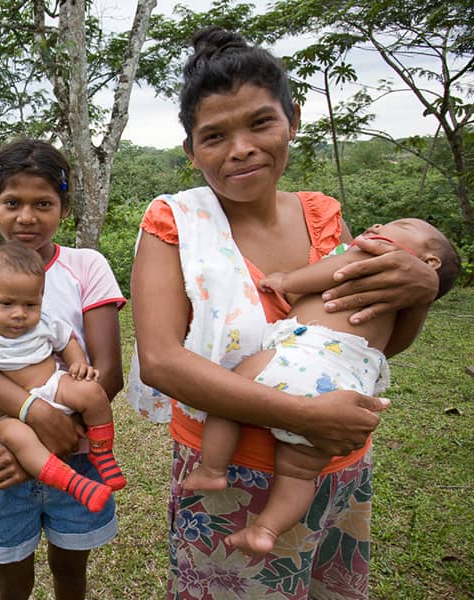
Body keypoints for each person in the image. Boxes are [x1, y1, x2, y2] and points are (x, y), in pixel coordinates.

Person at [128, 27, 441, 599]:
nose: (240, 147)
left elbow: (370, 341)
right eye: (214, 135)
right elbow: (162, 362)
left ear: (292, 121)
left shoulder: (324, 219)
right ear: (190, 150)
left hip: (335, 461)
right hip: (234, 469)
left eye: (260, 123)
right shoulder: (175, 225)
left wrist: (419, 291)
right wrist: (306, 418)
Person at [182, 217, 460, 555]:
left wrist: (288, 280)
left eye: (400, 225)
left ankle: (212, 468)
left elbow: (332, 271)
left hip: (305, 353)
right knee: (299, 471)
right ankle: (266, 530)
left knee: (229, 397)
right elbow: (396, 343)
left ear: (429, 263)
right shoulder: (404, 300)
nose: (379, 225)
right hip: (346, 386)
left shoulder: (376, 256)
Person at [0, 140, 126, 600]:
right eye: (12, 203)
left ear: (64, 208)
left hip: (78, 451)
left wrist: (46, 441)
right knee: (10, 574)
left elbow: (109, 371)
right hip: (0, 454)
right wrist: (33, 419)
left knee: (70, 567)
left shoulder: (88, 267)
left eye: (43, 203)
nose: (27, 217)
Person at [0, 241, 126, 513]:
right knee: (16, 437)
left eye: (31, 304)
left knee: (91, 392)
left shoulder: (43, 318)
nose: (20, 313)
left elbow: (66, 339)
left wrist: (77, 362)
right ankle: (74, 484)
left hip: (53, 385)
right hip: (9, 413)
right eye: (6, 304)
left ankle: (102, 454)